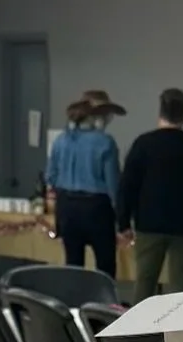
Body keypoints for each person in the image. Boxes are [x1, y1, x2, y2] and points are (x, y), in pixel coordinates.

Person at [117, 88, 183, 298]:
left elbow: (128, 185)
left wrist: (123, 222)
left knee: (144, 283)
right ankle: (177, 321)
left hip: (149, 225)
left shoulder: (143, 144)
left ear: (160, 111)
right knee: (180, 288)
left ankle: (140, 320)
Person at [47, 90, 123, 277]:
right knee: (105, 266)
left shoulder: (61, 140)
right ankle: (104, 297)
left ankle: (74, 296)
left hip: (66, 207)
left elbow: (50, 176)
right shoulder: (105, 142)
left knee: (73, 265)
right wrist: (122, 217)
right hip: (96, 208)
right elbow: (113, 186)